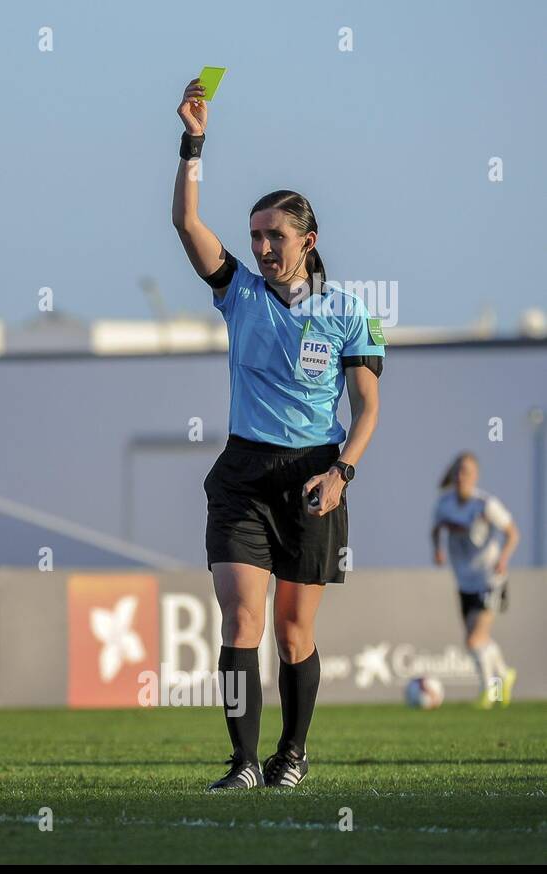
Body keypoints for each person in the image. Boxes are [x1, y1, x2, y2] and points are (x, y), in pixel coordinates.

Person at [171, 77, 385, 790]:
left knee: (295, 633)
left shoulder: (350, 311)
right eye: (256, 234)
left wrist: (341, 472)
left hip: (315, 477)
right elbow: (187, 226)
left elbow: (368, 409)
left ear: (308, 240)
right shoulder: (239, 292)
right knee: (240, 622)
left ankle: (290, 755)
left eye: (275, 235)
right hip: (242, 476)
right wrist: (192, 144)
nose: (261, 246)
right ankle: (241, 763)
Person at [432, 452, 519, 707]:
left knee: (474, 640)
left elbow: (513, 533)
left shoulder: (485, 504)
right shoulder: (444, 503)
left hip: (490, 578)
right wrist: (437, 549)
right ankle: (504, 674)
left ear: (475, 476)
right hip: (464, 580)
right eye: (459, 471)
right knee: (474, 639)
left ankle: (488, 691)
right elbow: (436, 528)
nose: (462, 476)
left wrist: (503, 559)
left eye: (467, 472)